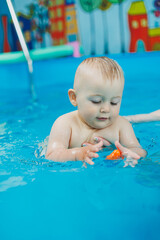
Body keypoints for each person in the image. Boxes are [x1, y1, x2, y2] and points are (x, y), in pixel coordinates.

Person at [45, 57, 159, 165]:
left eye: (114, 102)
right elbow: (51, 155)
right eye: (96, 101)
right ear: (74, 98)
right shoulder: (65, 124)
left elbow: (139, 150)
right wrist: (77, 154)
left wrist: (130, 153)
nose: (106, 109)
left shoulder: (121, 125)